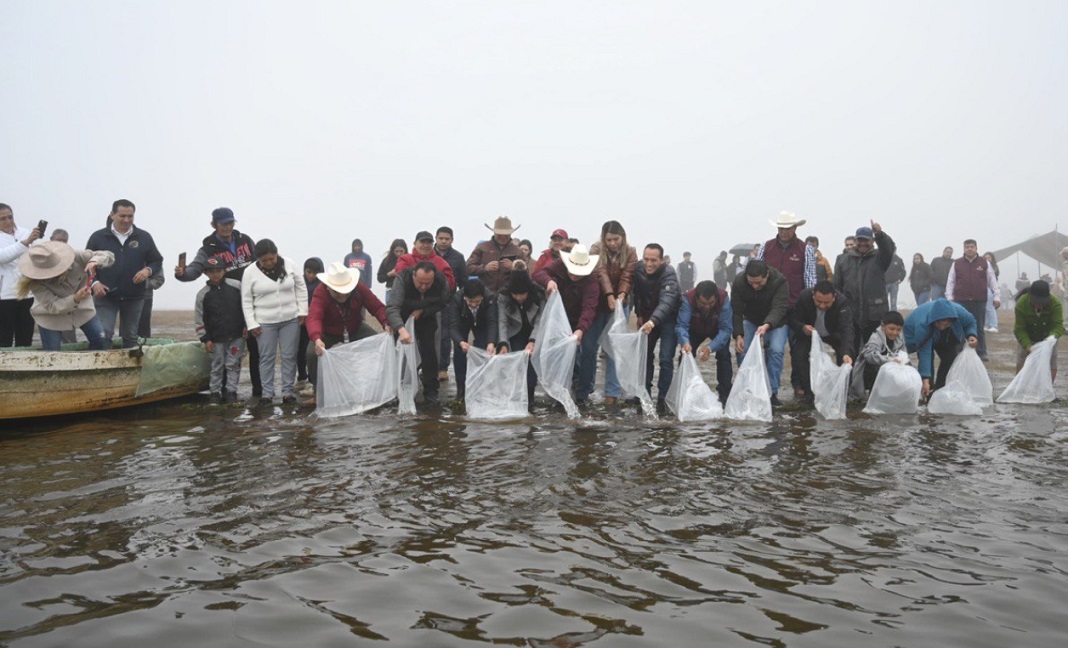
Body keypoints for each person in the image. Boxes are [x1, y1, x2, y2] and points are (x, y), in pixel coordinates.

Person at [174, 207, 262, 397]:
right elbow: (195, 268)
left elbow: (259, 263)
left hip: (252, 302)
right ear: (214, 225)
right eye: (223, 224)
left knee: (256, 350)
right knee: (221, 356)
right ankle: (221, 392)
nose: (228, 227)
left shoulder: (245, 240)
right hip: (227, 304)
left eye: (231, 223)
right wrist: (183, 274)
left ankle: (258, 391)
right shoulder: (208, 248)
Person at [85, 199, 164, 348]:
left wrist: (148, 270)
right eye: (122, 216)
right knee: (104, 333)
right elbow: (87, 264)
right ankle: (101, 369)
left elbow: (157, 260)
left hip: (134, 295)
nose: (126, 220)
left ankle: (130, 370)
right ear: (112, 215)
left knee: (131, 335)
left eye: (130, 216)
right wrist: (95, 283)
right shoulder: (98, 237)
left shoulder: (144, 237)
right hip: (105, 295)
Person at [306, 262, 391, 394]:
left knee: (376, 343)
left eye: (346, 292)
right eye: (337, 292)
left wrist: (386, 323)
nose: (342, 296)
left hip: (354, 327)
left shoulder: (359, 287)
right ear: (328, 287)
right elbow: (314, 317)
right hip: (327, 331)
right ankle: (319, 392)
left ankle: (374, 386)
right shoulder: (320, 292)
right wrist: (317, 338)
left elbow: (377, 307)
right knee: (312, 354)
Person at [757, 211, 816, 397]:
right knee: (773, 349)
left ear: (795, 228)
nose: (784, 232)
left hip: (796, 307)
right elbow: (757, 271)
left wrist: (808, 306)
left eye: (788, 229)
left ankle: (799, 385)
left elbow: (810, 279)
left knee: (799, 349)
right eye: (781, 228)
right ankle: (769, 387)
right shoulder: (766, 247)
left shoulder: (805, 249)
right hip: (772, 308)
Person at [241, 239, 308, 404]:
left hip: (290, 319)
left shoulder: (289, 264)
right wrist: (252, 324)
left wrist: (302, 311)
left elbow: (301, 287)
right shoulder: (250, 272)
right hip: (264, 322)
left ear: (277, 254)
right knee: (266, 357)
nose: (269, 263)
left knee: (289, 355)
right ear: (258, 259)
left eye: (272, 259)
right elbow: (246, 299)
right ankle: (267, 394)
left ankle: (287, 392)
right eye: (264, 260)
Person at [578, 220, 637, 406]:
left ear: (623, 237)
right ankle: (584, 390)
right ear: (603, 238)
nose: (613, 243)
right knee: (588, 347)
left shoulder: (630, 251)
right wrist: (609, 294)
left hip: (621, 303)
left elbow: (628, 275)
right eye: (609, 239)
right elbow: (600, 272)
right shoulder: (595, 249)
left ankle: (612, 393)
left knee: (614, 349)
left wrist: (621, 295)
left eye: (616, 239)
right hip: (597, 303)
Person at [533, 245, 601, 403]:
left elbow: (589, 309)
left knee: (588, 351)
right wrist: (549, 281)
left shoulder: (592, 280)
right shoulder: (558, 265)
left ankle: (582, 394)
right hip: (562, 316)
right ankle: (558, 391)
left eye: (579, 272)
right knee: (559, 352)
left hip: (586, 320)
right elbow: (538, 273)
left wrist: (580, 330)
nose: (575, 274)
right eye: (573, 270)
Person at [16, 241, 113, 350]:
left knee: (100, 342)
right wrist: (75, 298)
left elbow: (108, 255)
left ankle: (95, 366)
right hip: (49, 316)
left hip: (83, 309)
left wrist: (95, 260)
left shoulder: (75, 256)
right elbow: (53, 305)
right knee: (53, 353)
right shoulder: (34, 282)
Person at [387, 260, 451, 407]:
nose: (423, 287)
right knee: (402, 355)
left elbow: (443, 302)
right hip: (402, 317)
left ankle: (431, 392)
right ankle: (402, 391)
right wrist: (401, 329)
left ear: (434, 279)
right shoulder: (402, 279)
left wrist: (423, 311)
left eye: (427, 284)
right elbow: (392, 308)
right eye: (420, 283)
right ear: (414, 275)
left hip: (426, 316)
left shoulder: (441, 281)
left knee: (429, 352)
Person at [731, 259, 790, 407]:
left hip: (776, 322)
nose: (755, 286)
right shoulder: (739, 281)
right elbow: (736, 312)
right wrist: (738, 335)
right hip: (750, 319)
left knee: (775, 350)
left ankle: (772, 392)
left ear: (767, 275)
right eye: (751, 282)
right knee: (742, 350)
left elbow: (779, 308)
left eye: (759, 282)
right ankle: (749, 389)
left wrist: (767, 325)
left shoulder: (780, 281)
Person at [833, 221, 896, 358]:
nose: (862, 243)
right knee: (849, 354)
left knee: (874, 355)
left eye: (866, 240)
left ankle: (872, 380)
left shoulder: (880, 258)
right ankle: (849, 380)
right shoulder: (842, 260)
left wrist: (880, 234)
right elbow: (836, 287)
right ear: (855, 241)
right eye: (859, 240)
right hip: (850, 315)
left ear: (872, 241)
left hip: (875, 316)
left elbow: (889, 248)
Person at [632, 243, 680, 414]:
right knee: (645, 355)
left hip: (669, 318)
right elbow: (636, 293)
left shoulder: (669, 274)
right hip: (647, 317)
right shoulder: (638, 269)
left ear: (662, 260)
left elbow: (667, 301)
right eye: (646, 259)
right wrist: (639, 314)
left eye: (653, 260)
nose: (649, 264)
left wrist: (653, 321)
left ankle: (663, 398)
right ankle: (643, 393)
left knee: (666, 358)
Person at [788, 281, 855, 404]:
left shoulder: (842, 302)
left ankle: (843, 391)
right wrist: (803, 327)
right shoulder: (804, 297)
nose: (822, 306)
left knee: (846, 356)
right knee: (799, 353)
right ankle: (809, 392)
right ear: (813, 295)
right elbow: (793, 319)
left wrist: (847, 353)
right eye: (818, 302)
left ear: (834, 297)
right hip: (809, 333)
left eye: (826, 302)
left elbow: (847, 330)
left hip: (833, 333)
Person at [194, 256, 246, 404]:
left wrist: (246, 326)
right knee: (217, 365)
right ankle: (215, 392)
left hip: (237, 335)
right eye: (211, 271)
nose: (215, 274)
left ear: (224, 270)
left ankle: (231, 392)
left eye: (218, 270)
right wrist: (205, 338)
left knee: (233, 364)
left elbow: (246, 307)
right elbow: (199, 318)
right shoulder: (202, 294)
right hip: (216, 338)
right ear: (206, 273)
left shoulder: (236, 286)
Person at [904, 298, 978, 399]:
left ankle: (940, 390)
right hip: (921, 332)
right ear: (934, 320)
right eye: (939, 323)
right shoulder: (923, 324)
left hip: (946, 335)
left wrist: (971, 335)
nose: (942, 327)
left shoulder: (960, 312)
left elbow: (970, 322)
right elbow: (925, 354)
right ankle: (927, 392)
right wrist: (925, 379)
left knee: (950, 358)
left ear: (952, 320)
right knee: (928, 361)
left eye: (946, 324)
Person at [676, 280, 733, 404]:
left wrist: (710, 347)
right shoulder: (688, 299)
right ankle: (683, 391)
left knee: (724, 356)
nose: (707, 306)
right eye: (703, 303)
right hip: (694, 329)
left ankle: (725, 395)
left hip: (717, 329)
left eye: (711, 303)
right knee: (685, 355)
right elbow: (682, 325)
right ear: (696, 298)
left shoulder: (724, 299)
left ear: (716, 298)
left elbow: (726, 329)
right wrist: (685, 342)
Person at [496, 264, 544, 406]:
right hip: (514, 332)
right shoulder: (504, 296)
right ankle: (515, 398)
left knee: (531, 364)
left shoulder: (539, 294)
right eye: (515, 294)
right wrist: (503, 343)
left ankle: (530, 397)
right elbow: (502, 321)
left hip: (533, 332)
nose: (518, 297)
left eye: (522, 294)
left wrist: (533, 340)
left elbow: (540, 321)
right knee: (515, 364)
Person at [946, 239, 1000, 360]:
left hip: (979, 300)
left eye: (972, 247)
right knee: (958, 325)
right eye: (967, 247)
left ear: (976, 248)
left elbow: (992, 281)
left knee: (979, 326)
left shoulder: (984, 263)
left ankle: (981, 352)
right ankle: (958, 351)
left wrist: (996, 296)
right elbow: (951, 281)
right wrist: (949, 297)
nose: (969, 249)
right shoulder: (957, 263)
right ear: (964, 249)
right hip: (960, 300)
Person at [447, 279, 497, 401]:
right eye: (470, 301)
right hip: (463, 322)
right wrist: (460, 342)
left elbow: (492, 323)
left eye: (477, 301)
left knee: (483, 350)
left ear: (482, 297)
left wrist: (491, 342)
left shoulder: (490, 298)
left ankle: (480, 389)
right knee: (460, 352)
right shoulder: (457, 299)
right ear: (465, 297)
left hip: (482, 323)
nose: (473, 304)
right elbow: (453, 326)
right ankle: (461, 390)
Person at [0, 203, 42, 347]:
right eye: (3, 219)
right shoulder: (26, 238)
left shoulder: (25, 232)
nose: (8, 222)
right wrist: (25, 243)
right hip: (4, 295)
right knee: (4, 337)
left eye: (10, 217)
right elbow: (3, 257)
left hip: (27, 293)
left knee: (25, 336)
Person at [436, 226, 469, 379]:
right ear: (436, 238)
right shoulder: (429, 254)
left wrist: (463, 300)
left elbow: (463, 281)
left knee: (445, 334)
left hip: (450, 301)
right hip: (430, 301)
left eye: (446, 239)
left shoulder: (458, 257)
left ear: (452, 240)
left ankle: (443, 368)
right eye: (441, 238)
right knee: (431, 335)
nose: (443, 241)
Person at [849, 311, 907, 399]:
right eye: (891, 329)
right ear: (883, 326)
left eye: (898, 330)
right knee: (877, 369)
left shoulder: (900, 339)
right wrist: (890, 360)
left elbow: (904, 354)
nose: (895, 333)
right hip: (869, 372)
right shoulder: (876, 337)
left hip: (888, 370)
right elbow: (869, 355)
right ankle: (874, 397)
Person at [1013, 280, 1063, 381]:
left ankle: (1048, 390)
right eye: (1036, 302)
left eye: (1043, 302)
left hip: (1049, 337)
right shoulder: (1021, 304)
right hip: (1029, 336)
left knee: (1051, 359)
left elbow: (1058, 326)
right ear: (1030, 296)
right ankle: (1020, 386)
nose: (1039, 305)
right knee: (1022, 356)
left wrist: (1050, 340)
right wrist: (1027, 346)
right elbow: (1020, 329)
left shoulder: (1056, 304)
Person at [467, 216, 521, 293]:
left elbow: (526, 274)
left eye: (506, 235)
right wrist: (484, 268)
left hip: (508, 295)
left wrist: (514, 268)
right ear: (494, 233)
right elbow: (468, 268)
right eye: (499, 234)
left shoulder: (517, 251)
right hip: (484, 294)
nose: (502, 237)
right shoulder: (482, 247)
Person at [297, 257, 324, 384]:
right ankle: (302, 376)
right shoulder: (299, 283)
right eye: (308, 272)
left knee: (314, 350)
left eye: (315, 273)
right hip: (301, 321)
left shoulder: (324, 285)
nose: (311, 276)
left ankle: (315, 379)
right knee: (300, 349)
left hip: (317, 322)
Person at [136, 271, 165, 339]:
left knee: (143, 330)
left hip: (145, 298)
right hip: (125, 298)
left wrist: (143, 283)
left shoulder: (153, 261)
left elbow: (159, 279)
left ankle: (143, 347)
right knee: (125, 329)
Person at [983, 252, 1000, 333]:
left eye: (989, 257)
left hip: (991, 289)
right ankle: (986, 324)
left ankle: (993, 325)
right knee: (985, 308)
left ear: (992, 258)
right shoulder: (982, 266)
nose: (987, 259)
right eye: (985, 257)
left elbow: (993, 280)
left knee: (990, 307)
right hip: (983, 288)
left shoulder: (994, 267)